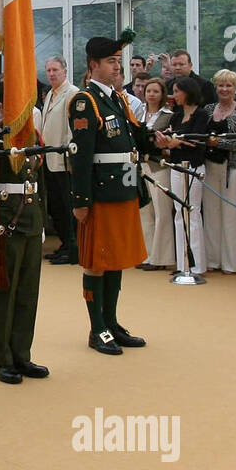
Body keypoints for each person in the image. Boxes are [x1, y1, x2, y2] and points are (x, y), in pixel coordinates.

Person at [70, 30, 166, 355]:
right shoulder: (86, 101)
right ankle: (97, 328)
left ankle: (111, 322)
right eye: (111, 61)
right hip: (100, 192)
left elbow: (136, 137)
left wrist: (160, 140)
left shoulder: (117, 98)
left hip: (124, 186)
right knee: (98, 261)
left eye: (118, 62)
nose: (117, 67)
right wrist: (80, 200)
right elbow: (80, 157)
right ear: (93, 64)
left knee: (117, 260)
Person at [0, 100, 49, 384]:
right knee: (3, 289)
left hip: (30, 215)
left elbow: (39, 176)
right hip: (5, 216)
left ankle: (21, 354)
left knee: (28, 291)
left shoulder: (32, 131)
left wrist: (43, 219)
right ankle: (2, 359)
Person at [201, 70, 236, 275]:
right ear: (215, 87)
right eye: (221, 85)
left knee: (233, 216)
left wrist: (218, 142)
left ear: (235, 88)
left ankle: (233, 264)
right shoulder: (207, 110)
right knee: (212, 215)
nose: (224, 89)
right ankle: (213, 260)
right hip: (210, 166)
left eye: (229, 85)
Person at [161, 77, 211, 275]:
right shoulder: (176, 116)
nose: (174, 95)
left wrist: (177, 142)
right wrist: (167, 141)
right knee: (179, 214)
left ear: (188, 92)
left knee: (192, 212)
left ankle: (196, 263)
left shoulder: (201, 115)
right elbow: (175, 139)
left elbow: (197, 141)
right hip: (176, 166)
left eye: (177, 90)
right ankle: (183, 263)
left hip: (193, 167)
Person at [40, 56, 80, 264]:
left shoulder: (72, 94)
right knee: (56, 206)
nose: (52, 74)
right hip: (49, 158)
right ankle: (64, 244)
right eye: (48, 70)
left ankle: (73, 248)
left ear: (65, 71)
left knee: (67, 206)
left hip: (64, 160)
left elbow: (72, 129)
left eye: (55, 69)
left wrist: (72, 158)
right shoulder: (50, 95)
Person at [137, 78, 175, 270]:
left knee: (162, 212)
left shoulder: (169, 116)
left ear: (162, 94)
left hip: (159, 166)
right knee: (145, 212)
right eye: (148, 91)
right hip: (141, 166)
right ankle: (148, 254)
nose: (151, 94)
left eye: (155, 91)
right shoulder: (139, 113)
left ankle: (162, 257)